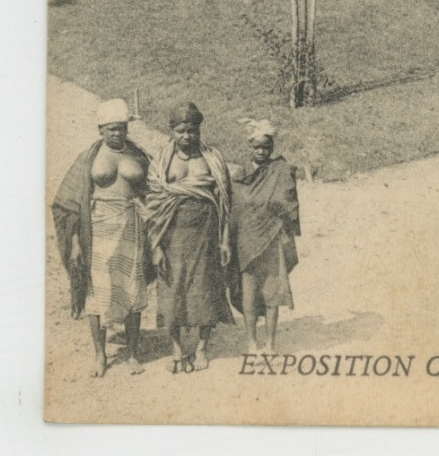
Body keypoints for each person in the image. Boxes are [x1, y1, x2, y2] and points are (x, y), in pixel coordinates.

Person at [52, 98, 153, 377]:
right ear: (100, 129)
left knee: (132, 288)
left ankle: (132, 353)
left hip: (130, 227)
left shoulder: (138, 155)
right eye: (111, 129)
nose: (117, 133)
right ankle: (100, 355)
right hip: (97, 230)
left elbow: (156, 187)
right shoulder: (89, 158)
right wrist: (74, 242)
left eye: (121, 128)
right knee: (97, 292)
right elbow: (68, 203)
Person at [146, 102, 233, 373]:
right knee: (172, 290)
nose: (187, 136)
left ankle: (201, 347)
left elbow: (225, 203)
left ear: (199, 130)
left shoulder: (213, 160)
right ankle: (176, 348)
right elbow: (153, 206)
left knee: (205, 289)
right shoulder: (161, 162)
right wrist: (156, 246)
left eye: (192, 130)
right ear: (171, 131)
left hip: (206, 233)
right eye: (181, 131)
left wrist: (225, 239)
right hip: (171, 236)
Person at [228, 119, 301, 355]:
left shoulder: (280, 171)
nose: (261, 151)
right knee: (249, 295)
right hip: (247, 243)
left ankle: (270, 344)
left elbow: (288, 203)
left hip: (272, 242)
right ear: (249, 147)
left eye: (266, 147)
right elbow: (234, 209)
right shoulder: (239, 177)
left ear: (272, 147)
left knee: (272, 294)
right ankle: (251, 343)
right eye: (257, 147)